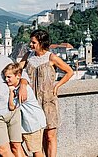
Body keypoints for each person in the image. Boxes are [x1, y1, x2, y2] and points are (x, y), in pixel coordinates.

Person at [20, 29, 74, 157]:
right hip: (32, 102)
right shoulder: (28, 56)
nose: (30, 44)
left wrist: (57, 85)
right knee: (37, 135)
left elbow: (69, 71)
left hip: (48, 100)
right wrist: (22, 81)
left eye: (33, 42)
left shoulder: (52, 57)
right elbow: (17, 69)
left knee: (50, 135)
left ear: (41, 42)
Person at [3, 63, 46, 157]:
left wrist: (10, 92)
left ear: (18, 76)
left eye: (9, 77)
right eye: (5, 77)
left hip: (32, 124)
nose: (6, 80)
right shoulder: (19, 87)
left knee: (36, 150)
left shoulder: (22, 90)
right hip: (29, 123)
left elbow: (12, 106)